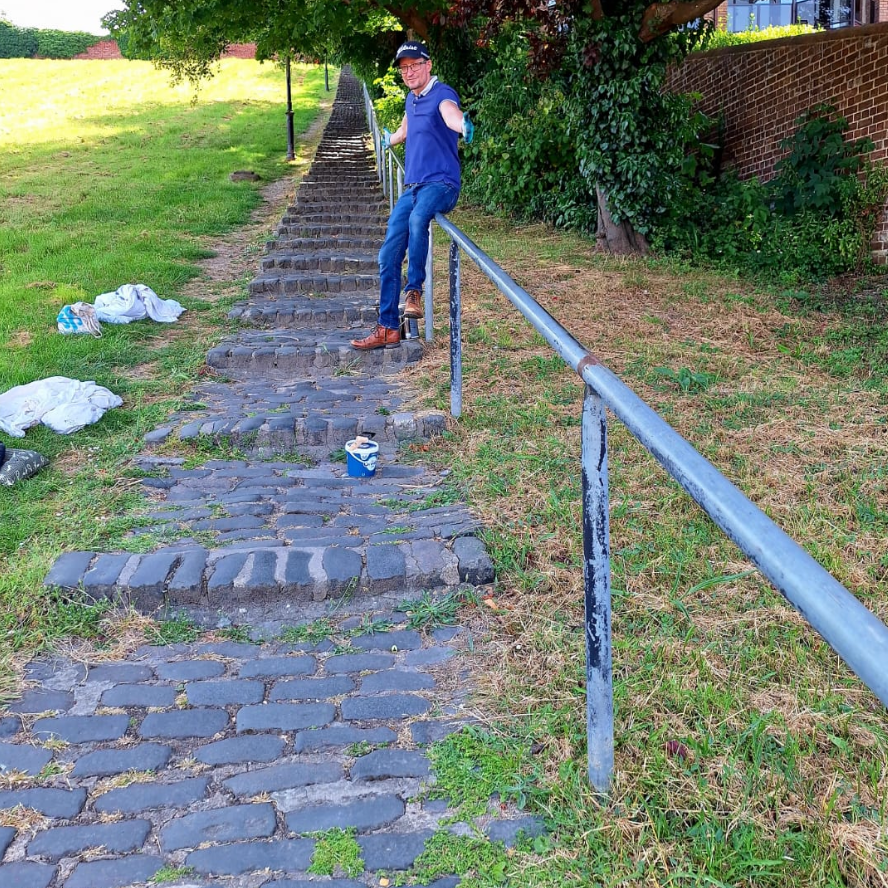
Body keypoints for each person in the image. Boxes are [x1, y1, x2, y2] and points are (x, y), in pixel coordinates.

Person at [351, 40, 473, 350]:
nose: (410, 71)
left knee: (419, 220)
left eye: (415, 65)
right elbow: (406, 130)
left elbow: (451, 115)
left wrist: (463, 126)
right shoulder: (411, 99)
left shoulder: (441, 94)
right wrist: (388, 140)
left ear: (428, 65)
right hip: (414, 186)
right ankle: (388, 327)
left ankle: (414, 291)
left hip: (442, 184)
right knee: (387, 254)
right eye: (404, 67)